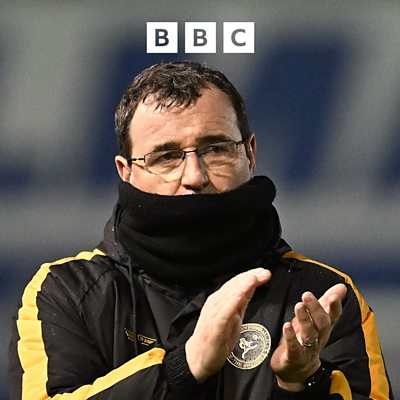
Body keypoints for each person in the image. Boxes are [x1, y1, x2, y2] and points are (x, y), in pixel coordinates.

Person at [8, 60, 393, 400]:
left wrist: (302, 384)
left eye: (216, 149)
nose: (194, 176)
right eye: (166, 156)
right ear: (126, 173)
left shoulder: (322, 296)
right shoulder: (67, 293)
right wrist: (185, 366)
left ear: (250, 154)